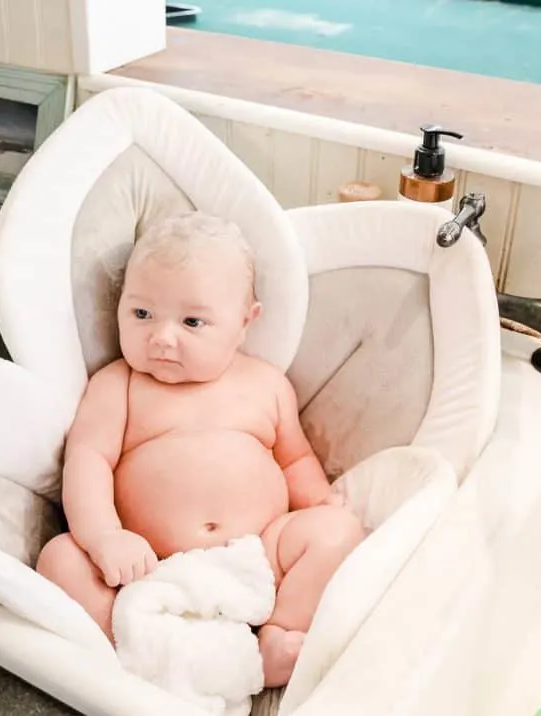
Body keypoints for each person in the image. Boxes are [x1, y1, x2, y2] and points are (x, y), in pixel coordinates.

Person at [35, 211, 364, 688]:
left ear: (245, 322)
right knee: (61, 558)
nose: (161, 338)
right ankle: (143, 653)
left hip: (260, 559)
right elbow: (88, 461)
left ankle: (277, 637)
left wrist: (316, 500)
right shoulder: (119, 385)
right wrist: (105, 537)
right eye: (141, 313)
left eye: (193, 321)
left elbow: (294, 459)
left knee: (337, 529)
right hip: (148, 568)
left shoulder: (266, 385)